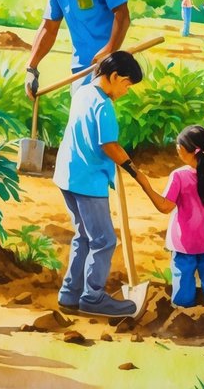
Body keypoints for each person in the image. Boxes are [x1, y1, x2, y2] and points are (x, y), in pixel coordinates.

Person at [53, 51, 146, 318]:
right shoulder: (103, 105)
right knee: (104, 240)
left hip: (67, 175)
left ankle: (70, 293)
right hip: (88, 181)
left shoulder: (82, 92)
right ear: (114, 76)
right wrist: (134, 170)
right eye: (126, 84)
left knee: (83, 235)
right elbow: (109, 145)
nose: (126, 91)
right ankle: (92, 297)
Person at [132, 125, 204, 308]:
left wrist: (146, 186)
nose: (177, 148)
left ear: (188, 150)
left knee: (183, 279)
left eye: (179, 146)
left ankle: (183, 312)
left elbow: (165, 207)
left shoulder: (179, 176)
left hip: (183, 243)